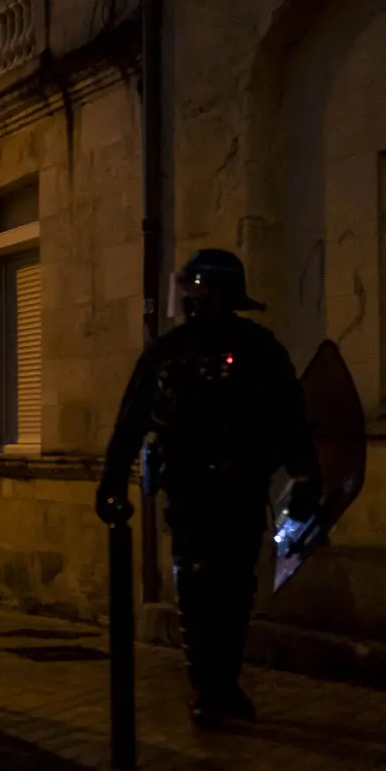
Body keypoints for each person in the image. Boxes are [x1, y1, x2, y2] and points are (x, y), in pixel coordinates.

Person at [97, 248, 320, 727]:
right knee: (202, 584)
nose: (210, 304)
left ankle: (220, 686)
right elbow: (134, 419)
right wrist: (112, 478)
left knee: (233, 587)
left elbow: (290, 420)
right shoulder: (170, 352)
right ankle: (206, 687)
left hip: (238, 488)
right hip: (192, 489)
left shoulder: (259, 350)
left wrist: (305, 476)